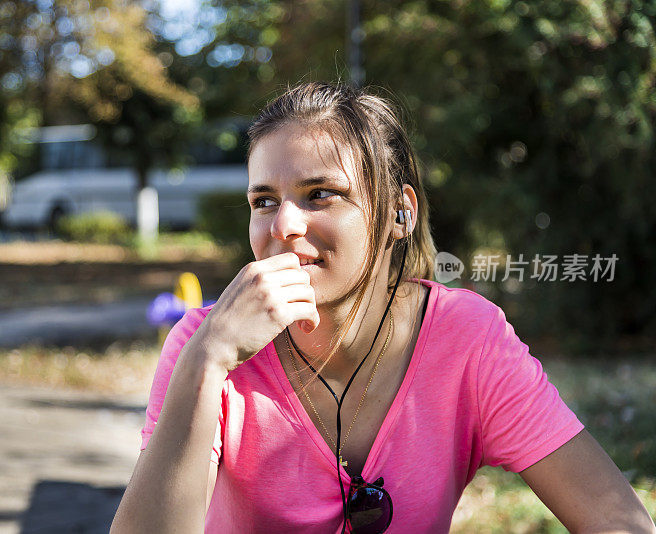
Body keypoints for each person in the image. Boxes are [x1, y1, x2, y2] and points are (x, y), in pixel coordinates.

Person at [110, 82, 654, 533]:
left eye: (320, 193)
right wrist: (208, 361)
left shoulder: (467, 339)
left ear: (400, 212)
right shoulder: (206, 348)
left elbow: (619, 521)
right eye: (264, 201)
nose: (284, 226)